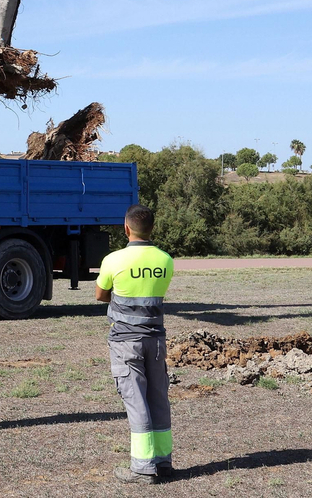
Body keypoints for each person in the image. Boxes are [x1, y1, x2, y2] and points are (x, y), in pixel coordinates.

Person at [96, 204, 173, 483]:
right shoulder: (166, 260)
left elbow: (100, 294)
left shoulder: (114, 260)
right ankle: (163, 462)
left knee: (136, 400)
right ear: (152, 228)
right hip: (155, 340)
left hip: (126, 342)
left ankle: (141, 468)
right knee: (158, 399)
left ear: (126, 228)